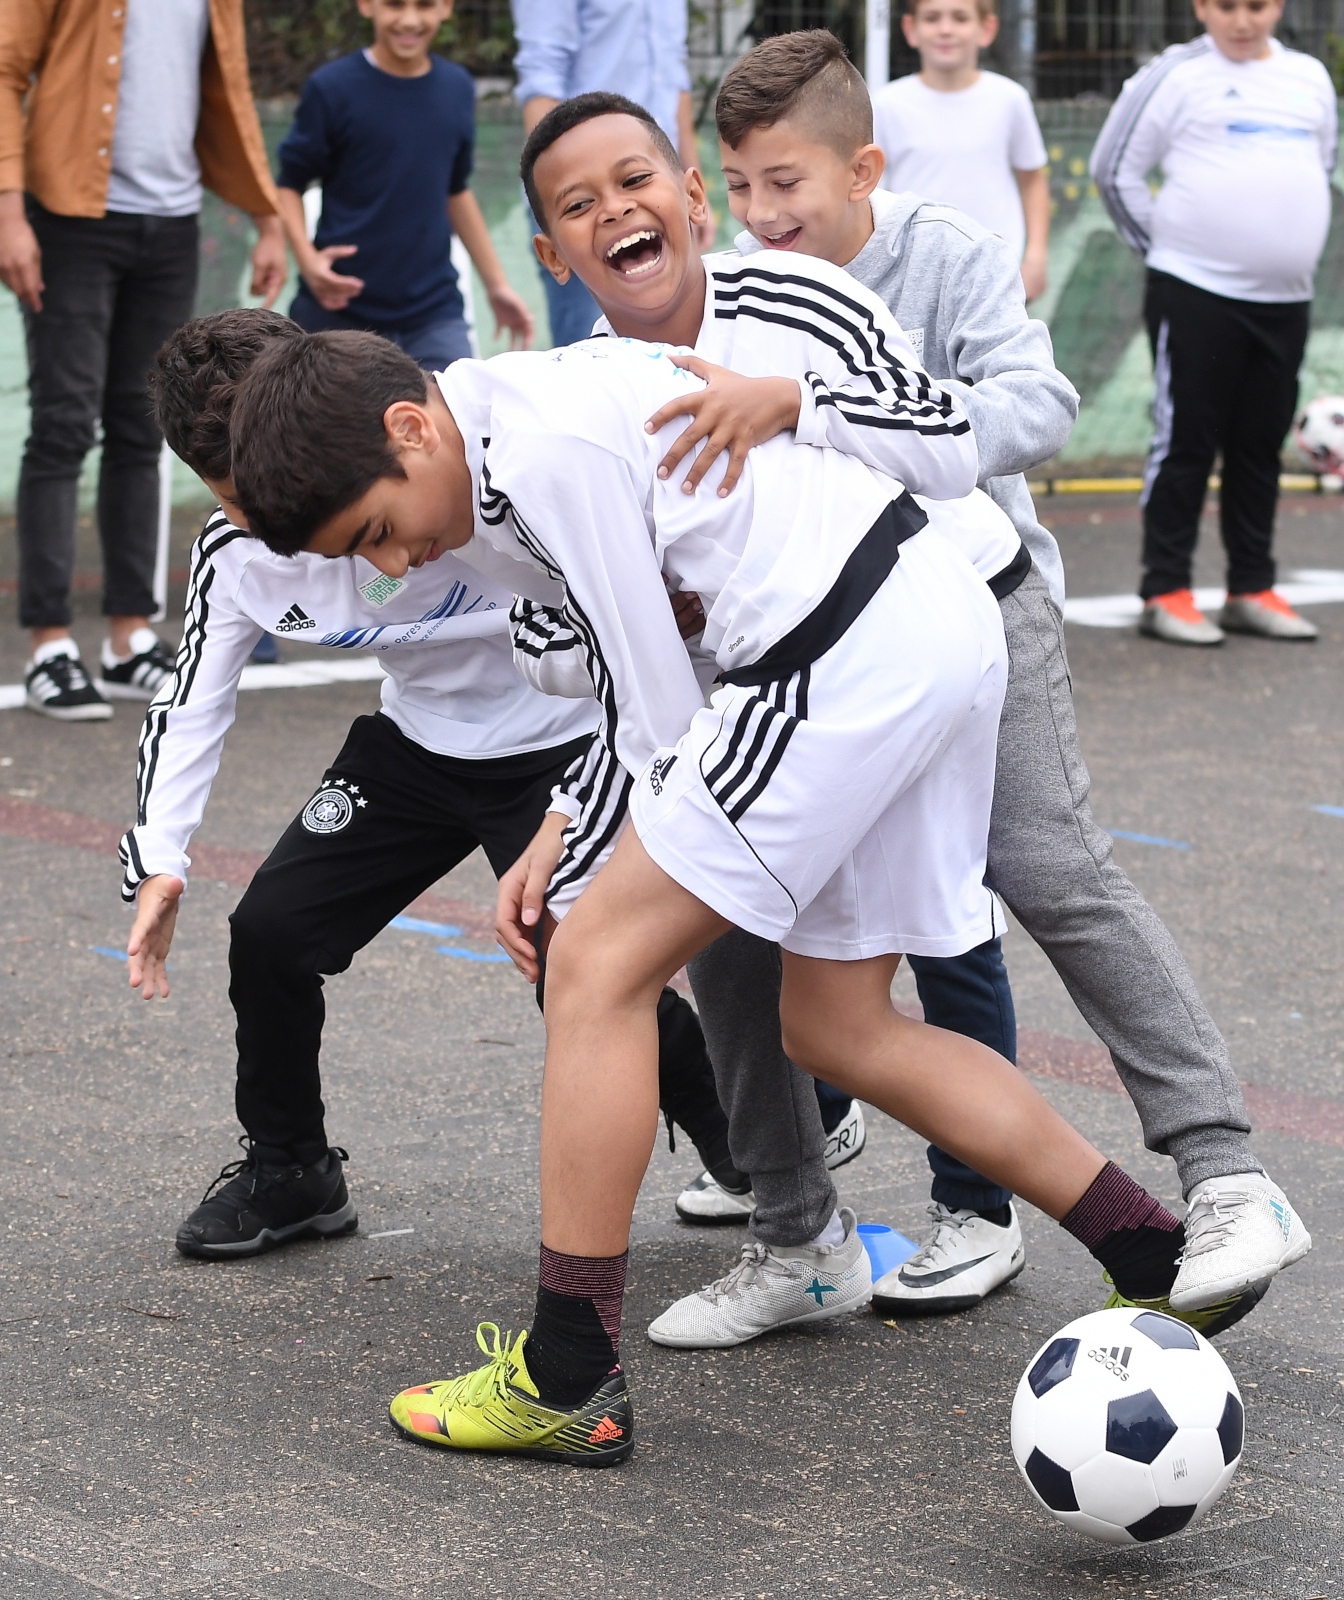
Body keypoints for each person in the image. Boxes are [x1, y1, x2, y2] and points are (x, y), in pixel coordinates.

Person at [228, 322, 1236, 1469]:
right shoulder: (503, 436)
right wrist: (569, 819)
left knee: (596, 966)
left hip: (838, 651)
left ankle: (568, 1373)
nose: (397, 565)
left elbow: (658, 711)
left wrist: (588, 856)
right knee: (838, 1025)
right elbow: (622, 661)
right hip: (915, 626)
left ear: (412, 428)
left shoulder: (544, 450)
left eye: (377, 532)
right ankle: (1154, 1257)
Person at [510, 75, 1309, 1345]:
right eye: (580, 204)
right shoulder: (576, 397)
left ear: (688, 198)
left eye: (637, 180)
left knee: (1042, 869)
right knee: (725, 936)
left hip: (965, 612)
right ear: (552, 252)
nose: (618, 210)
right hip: (796, 686)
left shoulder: (809, 300)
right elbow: (569, 637)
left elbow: (953, 431)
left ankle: (1221, 1176)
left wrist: (799, 406)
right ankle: (797, 1239)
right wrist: (579, 790)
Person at [126, 308, 737, 1258]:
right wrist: (161, 856)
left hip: (565, 738)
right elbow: (192, 699)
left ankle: (751, 1152)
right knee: (271, 933)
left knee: (576, 962)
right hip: (416, 744)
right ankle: (292, 1173)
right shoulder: (237, 553)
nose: (284, 522)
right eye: (249, 503)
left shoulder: (471, 466)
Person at [0, 0, 286, 721]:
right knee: (63, 426)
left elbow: (232, 94)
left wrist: (267, 218)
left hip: (171, 225)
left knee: (147, 429)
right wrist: (8, 214)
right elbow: (4, 67)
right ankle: (50, 644)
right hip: (68, 217)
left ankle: (129, 639)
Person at [1091, 0, 1334, 645]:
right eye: (1226, 6)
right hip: (1195, 293)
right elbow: (1114, 173)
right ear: (1201, 6)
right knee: (1187, 442)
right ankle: (1165, 589)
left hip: (1286, 300)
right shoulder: (1173, 76)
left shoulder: (1309, 77)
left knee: (1260, 446)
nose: (1243, 21)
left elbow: (1321, 164)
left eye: (1256, 5)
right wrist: (1173, 255)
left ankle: (1251, 588)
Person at [274, 0, 533, 369]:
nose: (410, 19)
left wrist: (497, 286)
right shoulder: (331, 88)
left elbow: (455, 190)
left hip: (434, 313)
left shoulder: (456, 87)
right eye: (395, 4)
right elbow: (288, 184)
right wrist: (308, 262)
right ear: (367, 5)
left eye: (425, 5)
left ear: (445, 7)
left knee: (454, 423)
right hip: (338, 313)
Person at [511, 0, 712, 345]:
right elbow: (541, 72)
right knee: (593, 354)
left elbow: (673, 75)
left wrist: (685, 178)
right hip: (582, 207)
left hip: (657, 186)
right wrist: (562, 199)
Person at [873, 0, 1050, 302]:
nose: (945, 30)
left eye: (960, 18)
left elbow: (1032, 180)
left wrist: (1035, 256)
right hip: (913, 273)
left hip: (995, 272)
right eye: (931, 18)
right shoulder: (885, 104)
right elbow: (871, 191)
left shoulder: (1010, 100)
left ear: (987, 28)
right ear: (910, 29)